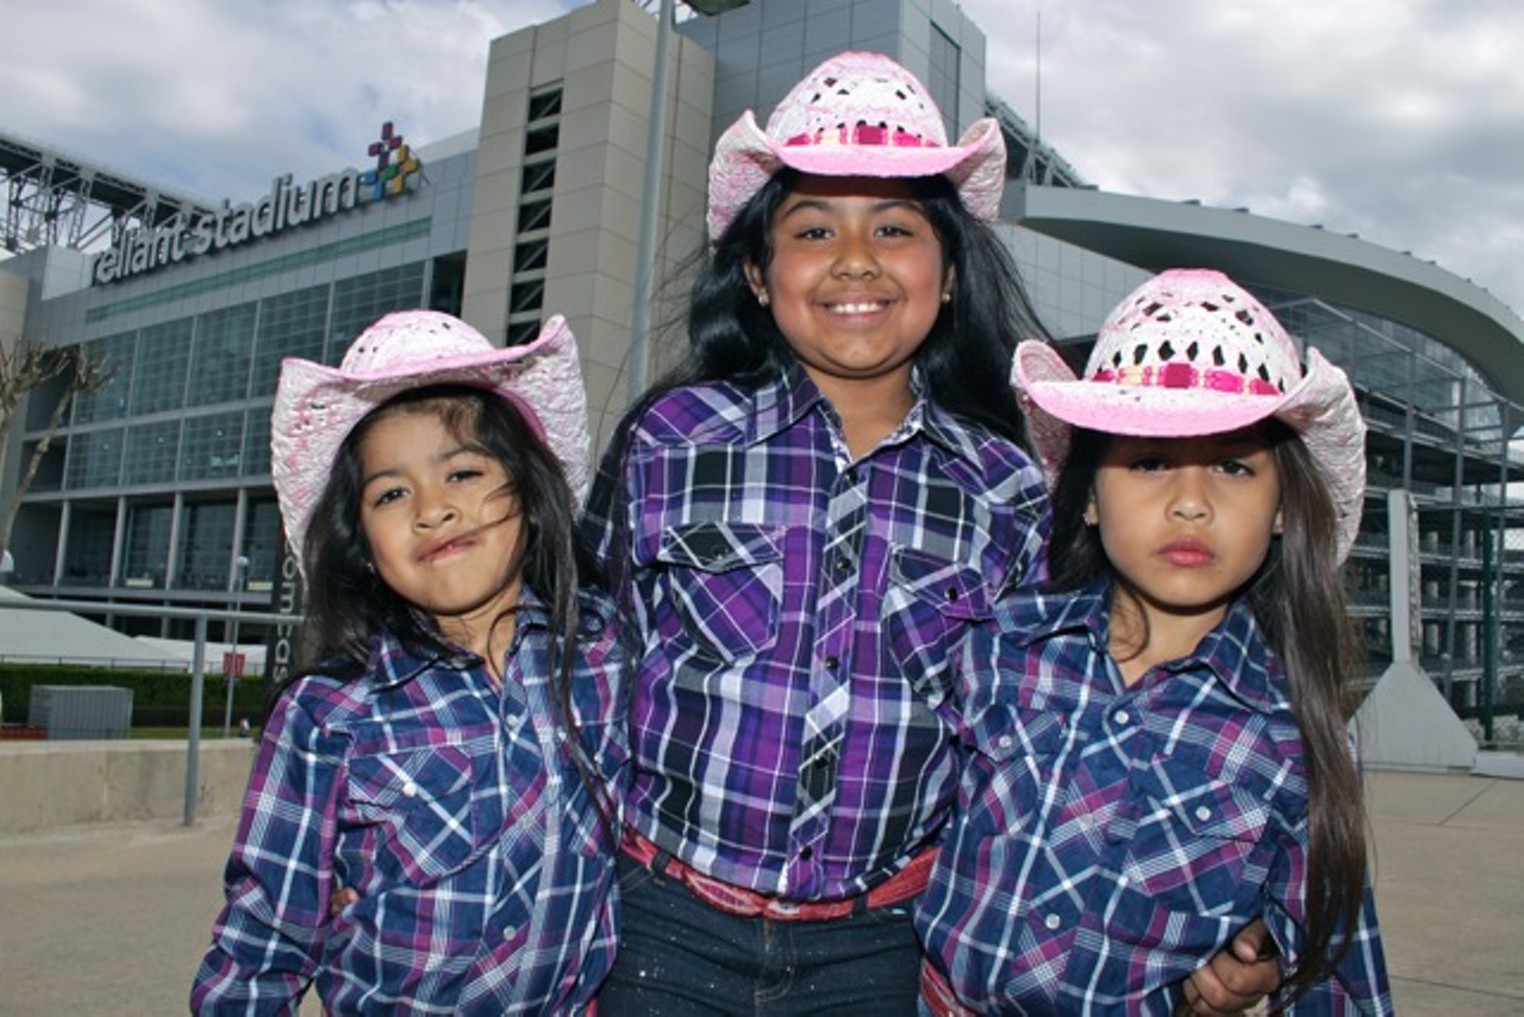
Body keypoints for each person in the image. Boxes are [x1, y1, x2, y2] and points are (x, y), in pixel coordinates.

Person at [583, 51, 1276, 1014]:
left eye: (897, 227)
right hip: (662, 925)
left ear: (949, 274)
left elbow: (1074, 729)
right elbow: (574, 660)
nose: (856, 258)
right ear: (755, 270)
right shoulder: (670, 440)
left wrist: (1227, 915)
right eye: (814, 226)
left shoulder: (1005, 488)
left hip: (882, 950)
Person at [916, 269, 1393, 1014]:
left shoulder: (1294, 737)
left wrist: (1261, 946)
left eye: (1235, 465)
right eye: (1147, 462)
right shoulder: (999, 650)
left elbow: (1339, 978)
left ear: (1281, 509)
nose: (1191, 502)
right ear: (1091, 498)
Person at [190, 311, 627, 1015]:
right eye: (391, 493)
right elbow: (264, 941)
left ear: (532, 499)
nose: (433, 509)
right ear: (360, 542)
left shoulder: (608, 661)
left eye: (463, 471)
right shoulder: (328, 713)